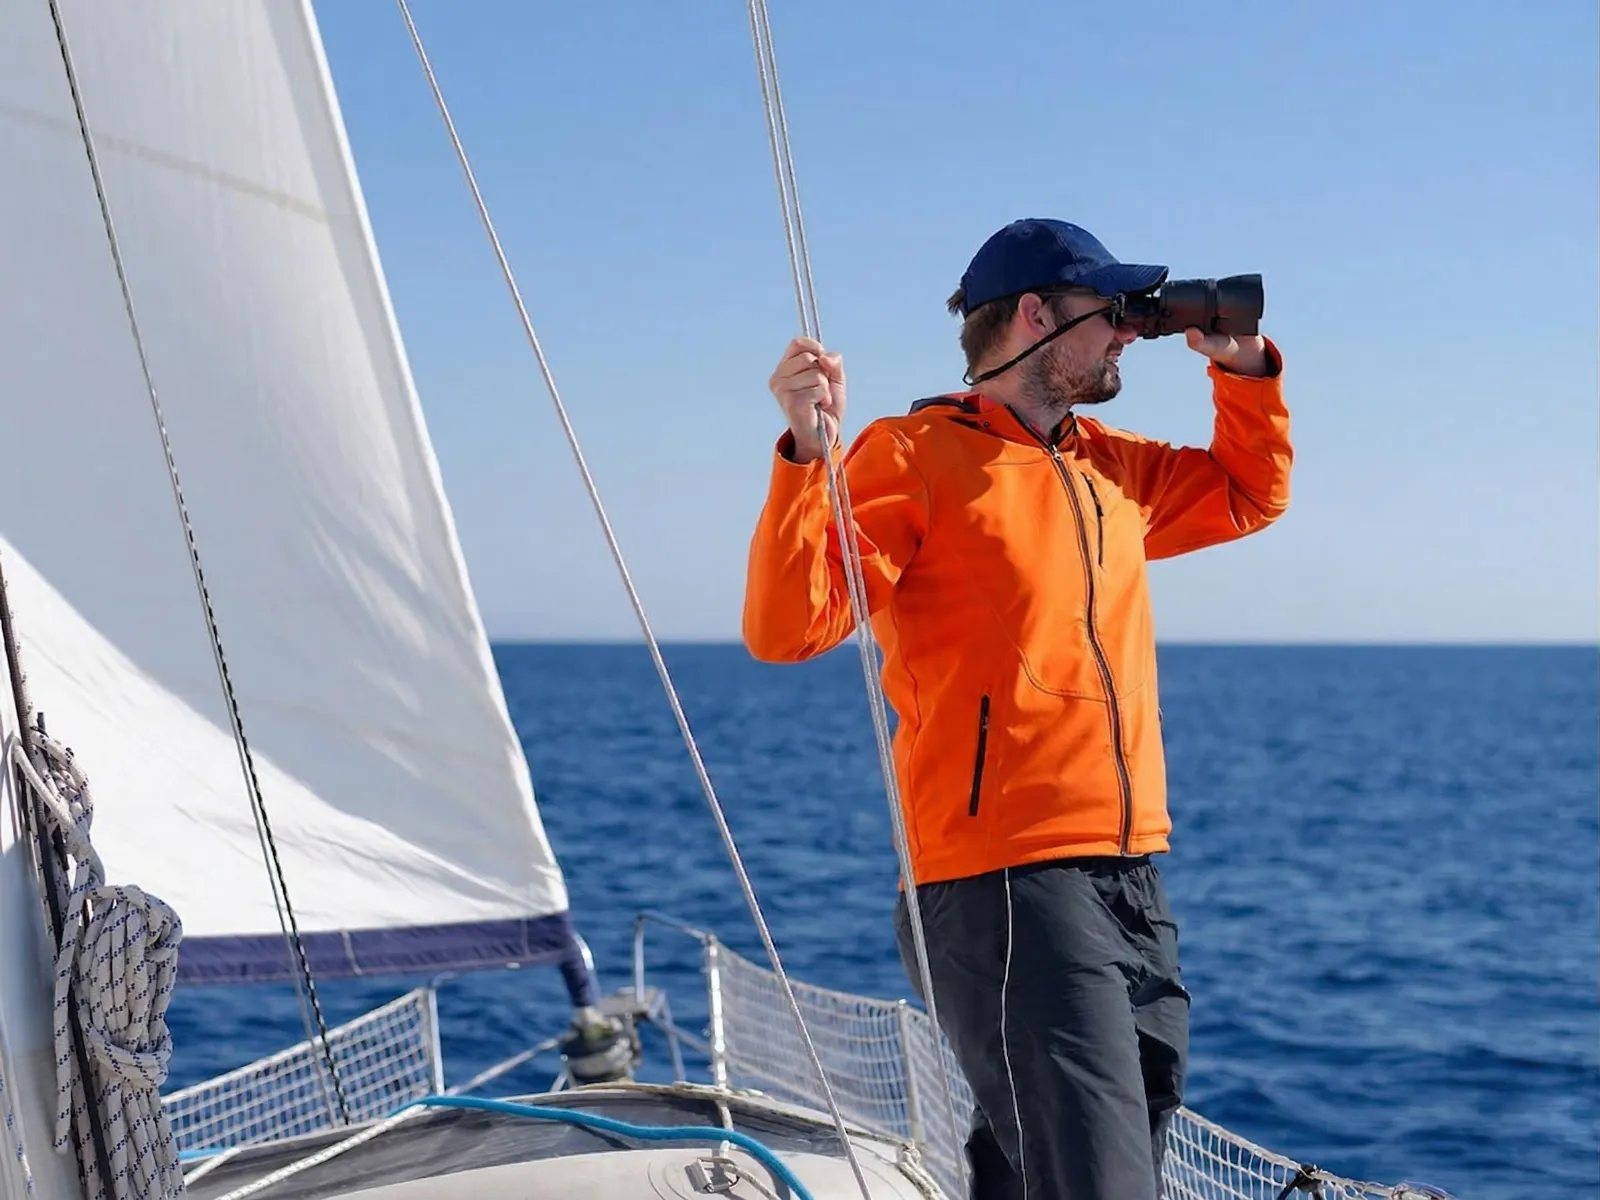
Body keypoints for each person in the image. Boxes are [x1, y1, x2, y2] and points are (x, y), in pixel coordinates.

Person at [741, 217, 1293, 1199]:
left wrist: (1241, 370)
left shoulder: (1110, 469)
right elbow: (792, 625)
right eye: (1107, 314)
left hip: (1127, 874)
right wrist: (803, 454)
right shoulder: (911, 455)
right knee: (1095, 1179)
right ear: (1032, 316)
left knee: (1057, 1159)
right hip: (1002, 882)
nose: (1126, 334)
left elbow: (1249, 495)